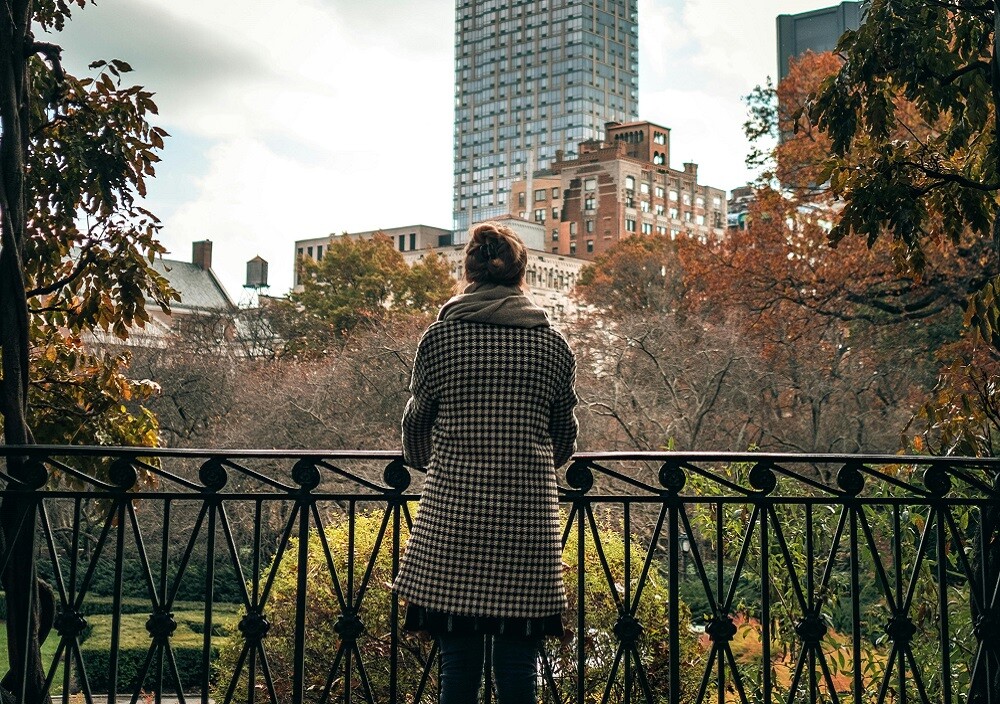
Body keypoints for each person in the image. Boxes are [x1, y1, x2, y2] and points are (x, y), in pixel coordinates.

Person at [392, 221, 578, 704]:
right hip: (527, 520)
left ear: (469, 272)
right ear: (521, 276)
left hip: (453, 517)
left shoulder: (440, 340)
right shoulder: (552, 346)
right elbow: (564, 438)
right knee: (519, 670)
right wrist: (527, 462)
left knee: (457, 669)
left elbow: (416, 424)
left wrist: (438, 462)